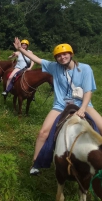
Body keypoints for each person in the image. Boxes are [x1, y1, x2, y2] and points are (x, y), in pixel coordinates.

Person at [10, 37, 102, 175]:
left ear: (71, 54)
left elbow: (88, 91)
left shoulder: (85, 69)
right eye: (58, 56)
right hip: (60, 105)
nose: (62, 57)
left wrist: (83, 108)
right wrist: (20, 49)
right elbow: (36, 58)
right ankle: (35, 163)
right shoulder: (54, 67)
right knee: (43, 133)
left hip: (83, 104)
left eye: (65, 54)